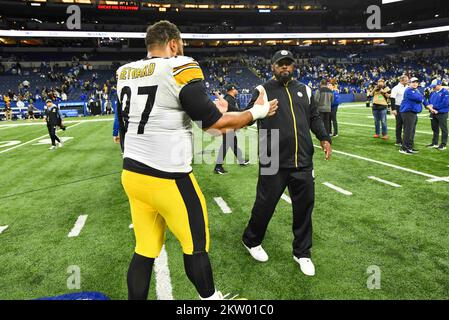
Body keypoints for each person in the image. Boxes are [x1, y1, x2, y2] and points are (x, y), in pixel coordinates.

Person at [117, 20, 278, 300]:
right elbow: (215, 127)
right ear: (173, 44)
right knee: (196, 246)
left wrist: (215, 108)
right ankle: (211, 300)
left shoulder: (125, 72)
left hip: (132, 175)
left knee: (144, 249)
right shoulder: (180, 66)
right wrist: (257, 113)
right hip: (168, 178)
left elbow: (159, 110)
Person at [241, 50, 332, 276]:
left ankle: (302, 252)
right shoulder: (262, 90)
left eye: (288, 64)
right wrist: (258, 111)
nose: (285, 68)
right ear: (273, 66)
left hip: (302, 159)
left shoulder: (304, 89)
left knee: (304, 209)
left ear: (293, 66)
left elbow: (313, 117)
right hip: (272, 158)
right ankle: (251, 240)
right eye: (280, 64)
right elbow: (248, 117)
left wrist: (324, 137)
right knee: (265, 205)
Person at [214, 84, 249, 174]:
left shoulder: (228, 98)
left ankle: (241, 160)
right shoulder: (229, 99)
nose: (237, 91)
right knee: (226, 144)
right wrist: (244, 116)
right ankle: (218, 167)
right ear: (232, 90)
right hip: (228, 126)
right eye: (236, 89)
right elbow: (233, 112)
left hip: (228, 125)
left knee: (233, 143)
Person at [399, 77, 424, 155]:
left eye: (416, 82)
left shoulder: (415, 90)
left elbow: (421, 98)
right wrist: (422, 97)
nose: (415, 84)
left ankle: (409, 147)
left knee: (412, 131)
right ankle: (404, 148)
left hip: (413, 112)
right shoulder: (409, 90)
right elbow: (419, 98)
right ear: (409, 83)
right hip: (408, 112)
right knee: (408, 131)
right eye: (413, 82)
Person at [425, 80, 449, 151]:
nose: (433, 88)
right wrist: (430, 106)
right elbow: (429, 101)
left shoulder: (446, 92)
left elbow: (445, 103)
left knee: (444, 129)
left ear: (439, 85)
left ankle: (443, 144)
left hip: (442, 113)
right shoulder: (433, 92)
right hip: (433, 113)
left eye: (434, 86)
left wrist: (433, 107)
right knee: (434, 128)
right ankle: (434, 143)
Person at [390, 75, 409, 146]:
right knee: (399, 124)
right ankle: (398, 140)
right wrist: (393, 109)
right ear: (401, 80)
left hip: (406, 107)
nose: (407, 81)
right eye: (406, 80)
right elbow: (392, 98)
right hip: (398, 107)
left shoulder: (407, 87)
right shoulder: (396, 88)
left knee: (406, 124)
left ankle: (405, 140)